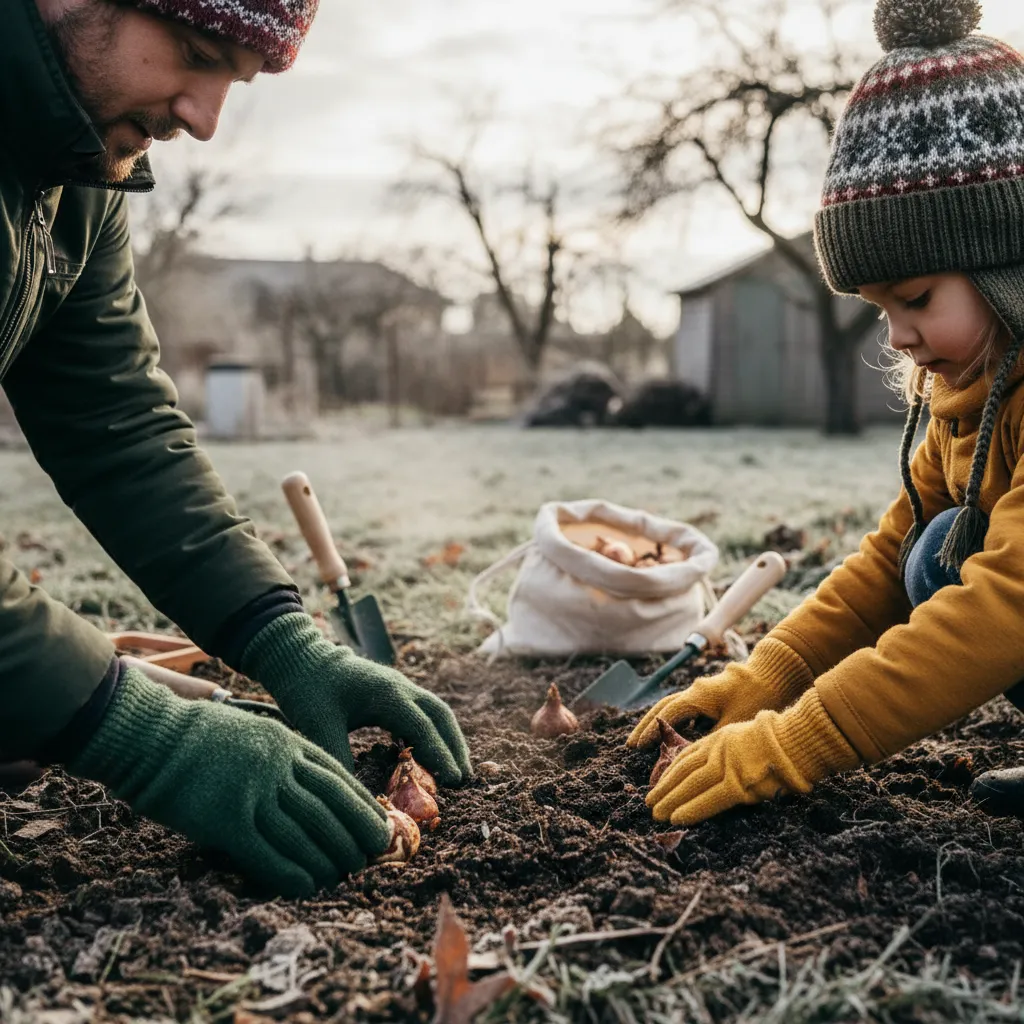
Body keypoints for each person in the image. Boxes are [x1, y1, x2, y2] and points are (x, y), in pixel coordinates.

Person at [0, 0, 471, 897]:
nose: (206, 121)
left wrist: (281, 638)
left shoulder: (77, 169)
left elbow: (118, 427)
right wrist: (139, 731)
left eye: (235, 81)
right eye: (194, 53)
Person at [629, 0, 1024, 826]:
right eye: (880, 308)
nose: (899, 336)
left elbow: (1005, 609)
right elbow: (885, 568)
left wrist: (795, 742)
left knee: (964, 581)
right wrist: (770, 675)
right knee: (929, 554)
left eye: (915, 298)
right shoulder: (969, 397)